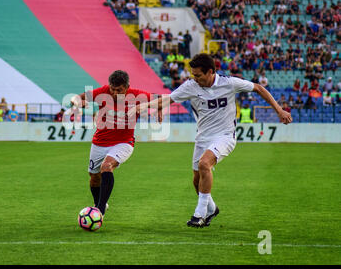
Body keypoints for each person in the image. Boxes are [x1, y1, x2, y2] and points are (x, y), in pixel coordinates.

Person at [131, 53, 292, 228]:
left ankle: (199, 215)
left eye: (198, 75)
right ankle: (212, 209)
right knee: (196, 180)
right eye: (193, 75)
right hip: (202, 137)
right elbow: (168, 99)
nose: (195, 78)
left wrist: (279, 111)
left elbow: (259, 88)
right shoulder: (191, 86)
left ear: (210, 72)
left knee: (204, 164)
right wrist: (147, 106)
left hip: (225, 136)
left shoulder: (229, 83)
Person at [70, 70, 161, 219]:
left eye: (118, 90)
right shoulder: (103, 91)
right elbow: (76, 97)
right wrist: (77, 102)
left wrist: (159, 108)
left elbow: (160, 99)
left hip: (124, 142)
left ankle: (99, 211)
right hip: (100, 142)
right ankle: (100, 204)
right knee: (94, 177)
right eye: (112, 89)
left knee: (107, 166)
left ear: (127, 87)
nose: (113, 92)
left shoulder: (137, 95)